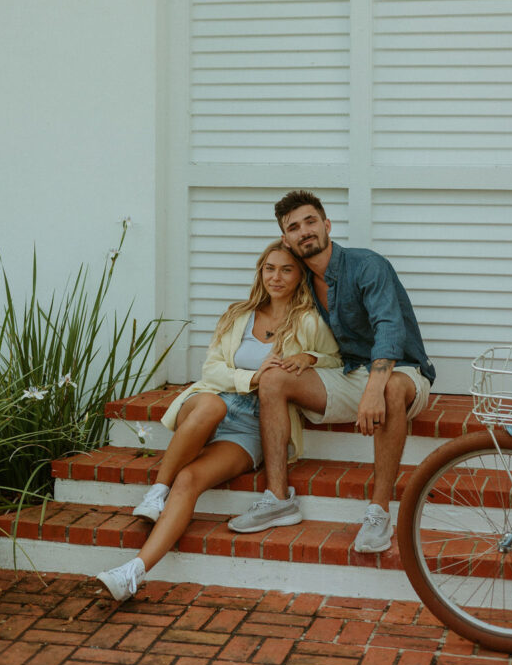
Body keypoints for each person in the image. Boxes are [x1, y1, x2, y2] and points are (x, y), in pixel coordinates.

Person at [97, 238, 340, 601]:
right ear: (260, 272)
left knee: (190, 478)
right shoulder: (239, 315)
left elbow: (335, 359)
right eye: (270, 268)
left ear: (299, 275)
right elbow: (211, 368)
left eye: (286, 269)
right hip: (211, 402)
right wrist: (252, 378)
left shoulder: (307, 321)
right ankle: (156, 492)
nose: (276, 276)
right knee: (212, 407)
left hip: (251, 426)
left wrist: (309, 358)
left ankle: (132, 572)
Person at [228, 190, 435, 553]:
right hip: (349, 373)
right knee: (275, 378)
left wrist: (375, 385)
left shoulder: (367, 265)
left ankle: (379, 513)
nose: (304, 231)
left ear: (326, 225)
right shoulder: (302, 281)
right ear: (285, 239)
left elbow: (389, 326)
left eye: (310, 222)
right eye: (294, 227)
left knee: (387, 390)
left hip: (403, 373)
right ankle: (278, 499)